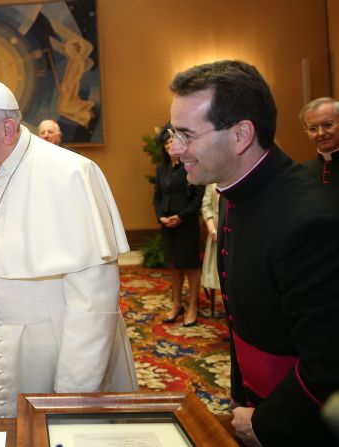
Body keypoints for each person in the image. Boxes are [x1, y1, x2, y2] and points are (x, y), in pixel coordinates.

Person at [0, 77, 138, 418]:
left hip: (51, 346)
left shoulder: (72, 174)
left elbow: (93, 300)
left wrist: (74, 391)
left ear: (8, 130)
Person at [168, 60, 339, 446]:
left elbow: (329, 366)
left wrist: (264, 424)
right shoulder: (234, 190)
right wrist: (241, 395)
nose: (176, 150)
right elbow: (243, 322)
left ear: (242, 134)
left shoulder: (310, 222)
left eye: (186, 135)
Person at [153, 124, 204, 327]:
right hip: (167, 224)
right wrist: (160, 217)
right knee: (174, 266)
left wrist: (181, 217)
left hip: (186, 223)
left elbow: (198, 196)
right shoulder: (161, 169)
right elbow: (157, 196)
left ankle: (192, 306)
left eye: (172, 141)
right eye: (166, 143)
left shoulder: (191, 164)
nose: (169, 145)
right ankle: (176, 304)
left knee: (190, 266)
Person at [299, 97, 339, 199]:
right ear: (306, 131)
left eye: (328, 125)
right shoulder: (302, 171)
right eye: (313, 129)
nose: (320, 133)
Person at [199, 183, 220, 314]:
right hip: (215, 234)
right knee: (215, 270)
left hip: (237, 234)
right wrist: (212, 230)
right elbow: (207, 207)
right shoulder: (212, 184)